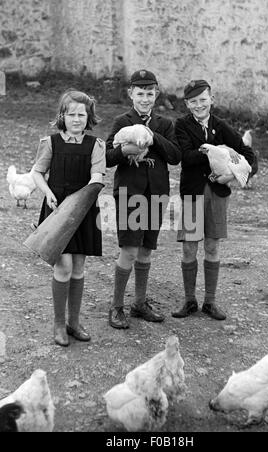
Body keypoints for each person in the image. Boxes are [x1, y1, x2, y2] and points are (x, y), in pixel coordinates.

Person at [172, 79, 254, 321]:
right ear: (187, 104)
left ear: (211, 100)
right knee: (189, 246)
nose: (199, 105)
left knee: (212, 246)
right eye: (194, 101)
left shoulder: (222, 126)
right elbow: (185, 157)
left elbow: (249, 156)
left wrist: (231, 174)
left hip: (217, 194)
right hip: (192, 192)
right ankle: (189, 301)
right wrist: (217, 151)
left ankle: (210, 301)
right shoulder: (182, 126)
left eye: (203, 100)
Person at [106, 69, 181, 329]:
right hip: (130, 193)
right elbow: (106, 157)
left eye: (150, 93)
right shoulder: (121, 122)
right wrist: (126, 147)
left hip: (157, 193)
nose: (146, 98)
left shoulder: (165, 124)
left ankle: (139, 302)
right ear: (131, 94)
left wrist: (151, 135)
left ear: (156, 94)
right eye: (140, 93)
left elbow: (174, 156)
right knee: (129, 249)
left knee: (147, 249)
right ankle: (116, 306)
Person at [32, 89, 106, 346]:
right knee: (62, 266)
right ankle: (58, 325)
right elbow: (37, 173)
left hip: (84, 209)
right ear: (62, 116)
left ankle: (74, 322)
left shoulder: (96, 145)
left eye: (81, 115)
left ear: (89, 117)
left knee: (78, 266)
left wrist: (93, 185)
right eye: (71, 114)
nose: (76, 119)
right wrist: (48, 193)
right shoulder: (51, 142)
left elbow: (98, 175)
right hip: (56, 209)